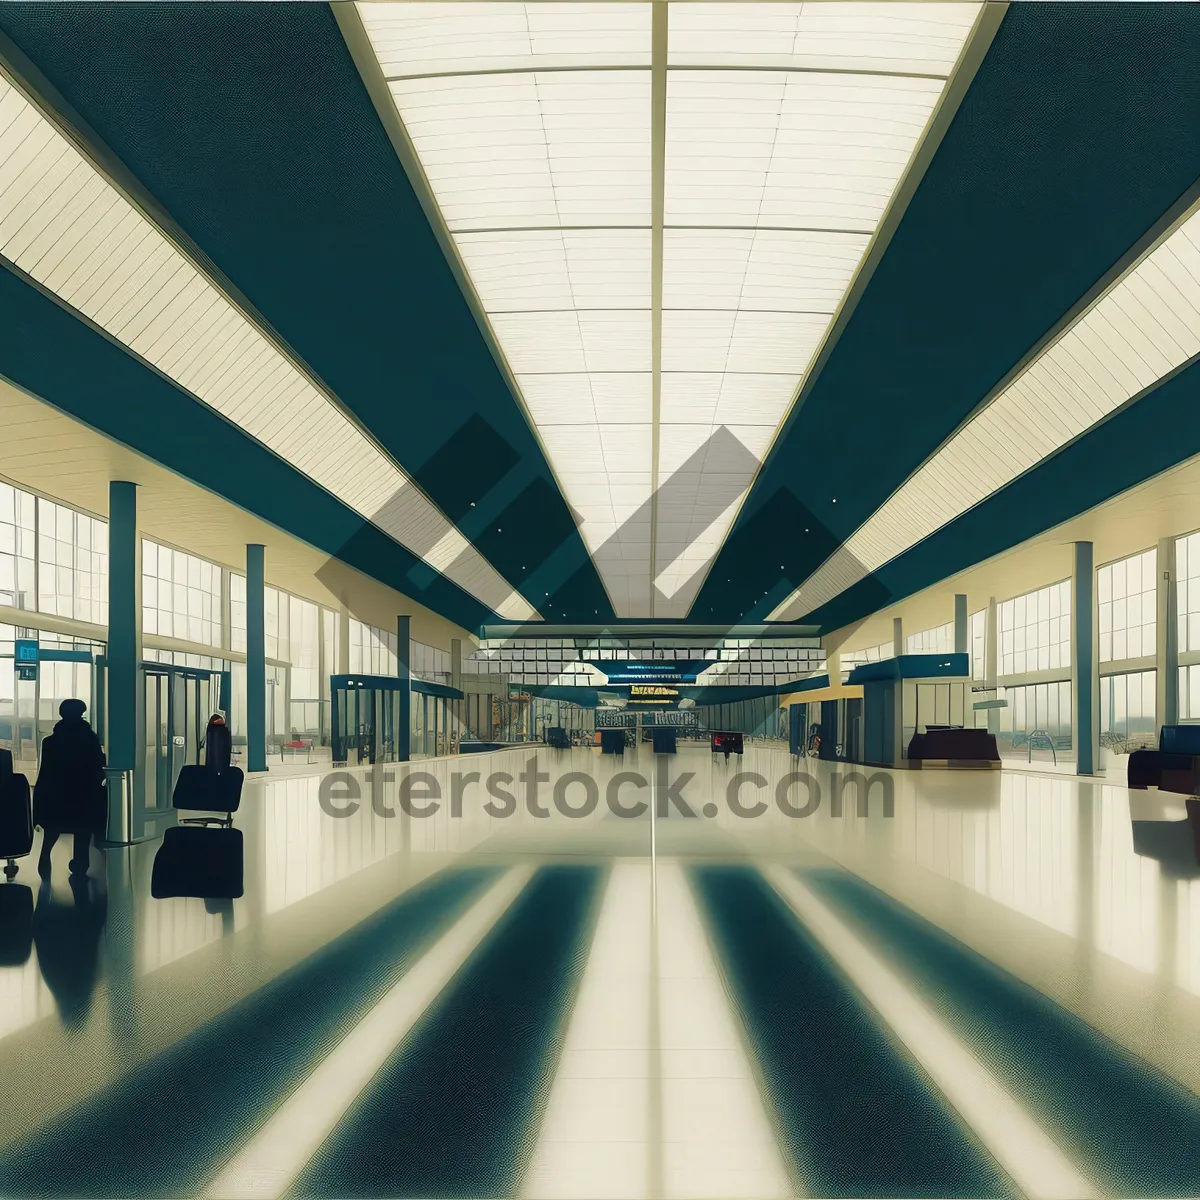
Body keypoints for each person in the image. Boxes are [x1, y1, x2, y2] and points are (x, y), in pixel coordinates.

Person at [33, 699, 106, 879]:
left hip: (58, 794)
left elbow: (46, 772)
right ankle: (79, 867)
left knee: (51, 834)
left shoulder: (50, 742)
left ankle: (45, 872)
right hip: (84, 793)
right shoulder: (90, 739)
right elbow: (98, 767)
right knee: (82, 832)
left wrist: (39, 799)